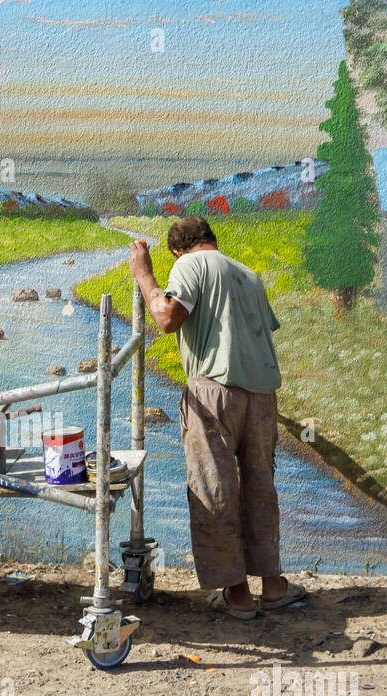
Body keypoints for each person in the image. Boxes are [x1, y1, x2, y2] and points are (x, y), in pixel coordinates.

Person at [127, 216, 306, 619]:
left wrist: (145, 275)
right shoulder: (249, 275)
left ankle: (238, 595)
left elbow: (167, 317)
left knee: (215, 488)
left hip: (214, 391)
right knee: (260, 487)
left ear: (178, 249)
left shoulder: (189, 265)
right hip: (262, 395)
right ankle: (274, 586)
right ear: (212, 239)